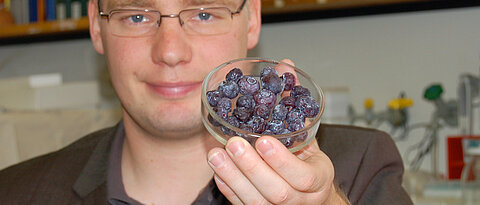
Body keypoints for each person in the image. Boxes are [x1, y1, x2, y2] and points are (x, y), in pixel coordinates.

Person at [0, 0, 413, 204]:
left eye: (203, 13)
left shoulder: (360, 169)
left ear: (251, 19)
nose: (171, 52)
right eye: (137, 16)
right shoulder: (16, 192)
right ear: (95, 25)